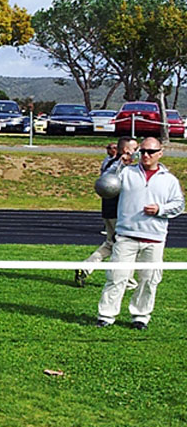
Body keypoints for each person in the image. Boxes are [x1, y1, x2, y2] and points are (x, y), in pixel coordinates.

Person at [96, 137, 184, 329]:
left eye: (151, 152)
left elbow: (178, 205)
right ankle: (106, 316)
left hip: (154, 239)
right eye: (142, 151)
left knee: (149, 280)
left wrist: (160, 209)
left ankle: (140, 316)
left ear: (160, 153)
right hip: (126, 236)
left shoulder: (169, 180)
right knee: (116, 277)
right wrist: (120, 163)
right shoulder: (127, 172)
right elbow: (104, 185)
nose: (146, 155)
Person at [75, 138, 136, 287]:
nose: (137, 152)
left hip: (109, 210)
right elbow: (108, 182)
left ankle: (86, 267)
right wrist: (122, 164)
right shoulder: (117, 166)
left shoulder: (109, 161)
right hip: (116, 212)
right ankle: (127, 280)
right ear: (126, 151)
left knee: (110, 244)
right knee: (127, 245)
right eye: (135, 149)